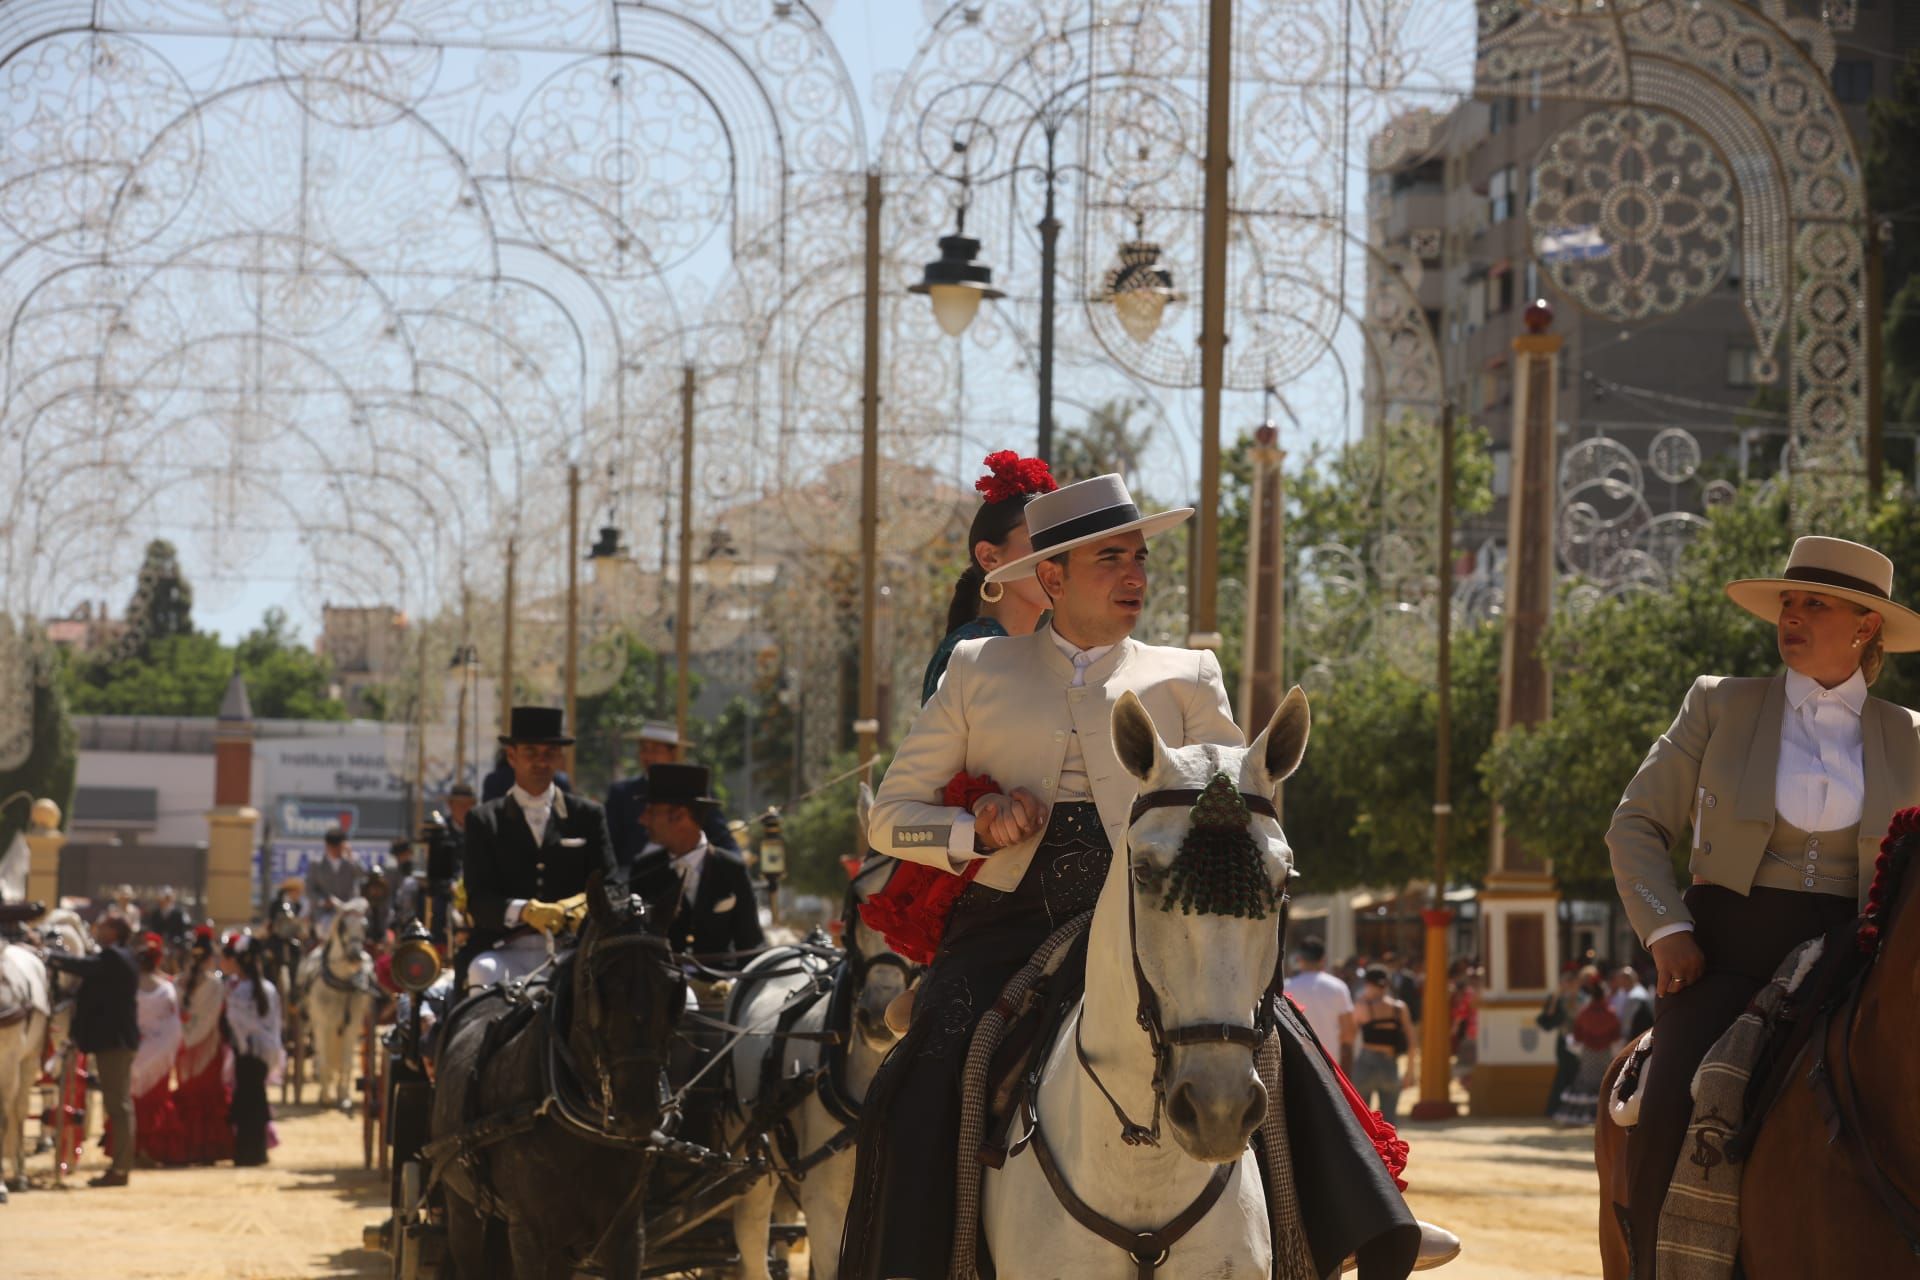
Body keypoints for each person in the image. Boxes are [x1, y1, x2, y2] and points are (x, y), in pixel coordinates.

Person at [842, 473, 1428, 1279]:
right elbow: (887, 816)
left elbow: (1237, 806)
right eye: (1109, 558)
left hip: (1161, 917)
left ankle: (1367, 1224)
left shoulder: (1190, 673)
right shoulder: (978, 668)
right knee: (926, 1069)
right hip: (1008, 922)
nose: (1135, 577)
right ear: (1050, 577)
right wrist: (970, 827)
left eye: (1141, 557)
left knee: (1271, 1032)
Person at [1606, 536, 1920, 1273]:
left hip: (1854, 963)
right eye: (1789, 602)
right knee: (1665, 1116)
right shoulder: (1718, 702)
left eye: (1816, 604)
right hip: (1721, 956)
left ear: (1866, 625)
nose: (1794, 616)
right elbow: (1636, 825)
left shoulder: (1911, 737)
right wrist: (1667, 930)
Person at [460, 706, 617, 989]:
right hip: (505, 950)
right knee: (481, 972)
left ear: (559, 758)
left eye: (548, 754)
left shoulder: (588, 815)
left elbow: (612, 886)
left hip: (572, 950)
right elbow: (478, 900)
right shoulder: (484, 820)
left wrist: (574, 908)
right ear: (512, 756)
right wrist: (524, 911)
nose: (540, 762)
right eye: (530, 752)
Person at [921, 448, 1057, 702]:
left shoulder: (1040, 651)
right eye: (1040, 541)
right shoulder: (971, 656)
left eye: (1062, 545)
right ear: (989, 557)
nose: (1056, 557)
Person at [628, 764, 764, 960]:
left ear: (680, 816)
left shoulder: (731, 869)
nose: (642, 819)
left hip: (721, 987)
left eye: (651, 811)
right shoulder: (644, 871)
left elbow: (751, 945)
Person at [46, 912, 141, 1186]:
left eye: (104, 925)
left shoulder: (114, 957)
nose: (98, 929)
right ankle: (120, 1167)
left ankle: (121, 1169)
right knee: (118, 1104)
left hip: (115, 1042)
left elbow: (85, 967)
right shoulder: (122, 955)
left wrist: (50, 956)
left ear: (115, 931)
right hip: (116, 1041)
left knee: (118, 1105)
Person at [603, 722, 739, 879]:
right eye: (644, 749)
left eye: (655, 750)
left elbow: (723, 841)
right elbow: (609, 847)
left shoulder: (694, 793)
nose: (647, 756)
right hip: (631, 880)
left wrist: (732, 873)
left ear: (673, 753)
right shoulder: (622, 794)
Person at [112, 933, 180, 1167]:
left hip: (133, 1046)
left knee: (130, 1100)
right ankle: (150, 1150)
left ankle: (130, 1149)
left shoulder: (128, 986)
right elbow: (173, 1024)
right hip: (159, 1051)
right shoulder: (168, 987)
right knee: (154, 1100)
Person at [168, 926, 232, 1165]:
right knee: (207, 1093)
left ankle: (186, 1144)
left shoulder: (176, 983)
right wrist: (195, 1035)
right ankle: (207, 1147)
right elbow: (211, 1019)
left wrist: (185, 1036)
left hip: (182, 1047)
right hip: (208, 1046)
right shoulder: (215, 985)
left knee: (189, 1091)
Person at [221, 933, 283, 1166]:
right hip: (264, 1054)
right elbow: (275, 1023)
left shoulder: (238, 992)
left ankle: (246, 1151)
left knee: (245, 1100)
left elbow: (234, 1023)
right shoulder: (268, 989)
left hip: (246, 1054)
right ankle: (258, 1151)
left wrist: (242, 1044)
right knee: (257, 1098)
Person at [1550, 967, 1621, 1127]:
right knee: (1603, 1080)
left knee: (1586, 1080)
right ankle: (1604, 1115)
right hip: (1605, 1052)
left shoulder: (1585, 1013)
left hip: (1588, 1052)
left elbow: (1578, 1034)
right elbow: (1615, 1034)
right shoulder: (1610, 1013)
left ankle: (1583, 1116)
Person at [1351, 965, 1418, 1120]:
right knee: (1389, 1122)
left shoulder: (1362, 1006)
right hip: (1389, 1064)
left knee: (1361, 1122)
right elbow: (1412, 1042)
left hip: (1365, 1064)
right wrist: (1410, 1072)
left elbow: (1350, 1036)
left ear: (1367, 983)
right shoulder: (1399, 1008)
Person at [1284, 936, 1357, 1073]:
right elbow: (1349, 1033)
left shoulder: (1286, 988)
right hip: (1330, 1064)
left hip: (1296, 1063)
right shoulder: (1338, 987)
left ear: (1299, 959)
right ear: (1324, 959)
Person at [1537, 965, 1582, 1119]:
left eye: (1572, 982)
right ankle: (1556, 1109)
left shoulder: (1583, 997)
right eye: (1567, 982)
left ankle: (1576, 1110)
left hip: (1582, 1041)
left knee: (1579, 1076)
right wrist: (1556, 999)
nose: (1569, 985)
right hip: (1564, 1043)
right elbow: (1547, 1020)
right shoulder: (1557, 999)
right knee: (1563, 1075)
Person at [306, 828, 362, 938]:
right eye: (335, 847)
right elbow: (310, 890)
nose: (338, 850)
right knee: (326, 936)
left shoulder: (351, 862)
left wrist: (351, 857)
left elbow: (363, 875)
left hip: (348, 911)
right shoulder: (316, 864)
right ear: (327, 846)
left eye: (340, 847)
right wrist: (323, 901)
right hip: (325, 913)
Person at [1608, 965, 1653, 1041]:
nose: (1621, 981)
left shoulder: (1636, 996)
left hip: (1631, 1037)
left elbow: (1628, 1022)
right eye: (1621, 978)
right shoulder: (1622, 992)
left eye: (1625, 978)